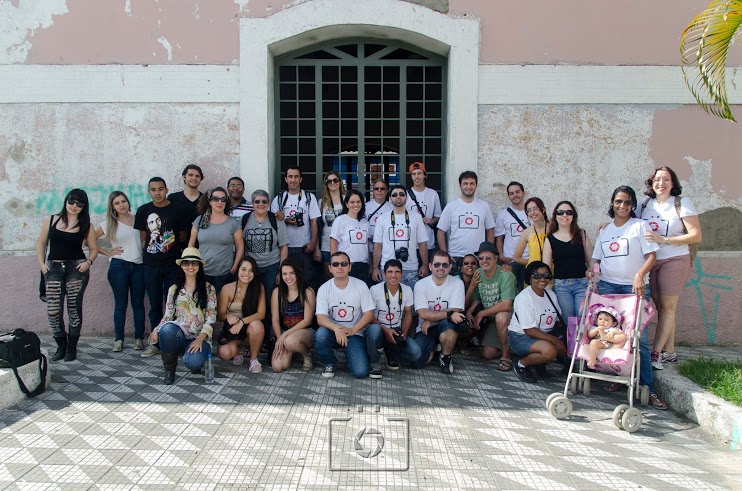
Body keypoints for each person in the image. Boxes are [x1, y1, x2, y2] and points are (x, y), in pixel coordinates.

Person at [593, 185, 667, 410]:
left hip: (632, 288)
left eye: (627, 202)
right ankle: (618, 377)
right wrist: (593, 272)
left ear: (632, 205)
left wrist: (639, 274)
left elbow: (652, 256)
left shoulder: (639, 226)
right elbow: (597, 259)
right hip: (607, 287)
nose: (622, 206)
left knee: (638, 339)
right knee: (611, 335)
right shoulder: (604, 231)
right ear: (612, 203)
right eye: (618, 202)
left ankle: (648, 388)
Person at [639, 166, 702, 369]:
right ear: (652, 182)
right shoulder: (645, 204)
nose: (661, 183)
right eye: (657, 179)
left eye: (666, 179)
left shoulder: (682, 203)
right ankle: (671, 351)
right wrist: (608, 225)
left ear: (673, 183)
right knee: (663, 308)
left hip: (675, 259)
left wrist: (664, 239)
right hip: (651, 260)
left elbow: (695, 235)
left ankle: (656, 354)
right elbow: (630, 222)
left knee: (667, 308)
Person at [36, 189, 98, 362]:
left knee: (74, 308)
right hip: (53, 267)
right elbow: (41, 242)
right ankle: (60, 345)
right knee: (53, 310)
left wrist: (88, 262)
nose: (74, 206)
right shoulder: (52, 220)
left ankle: (72, 348)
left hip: (75, 268)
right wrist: (42, 265)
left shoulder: (86, 225)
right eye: (71, 201)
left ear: (84, 207)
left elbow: (93, 248)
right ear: (66, 200)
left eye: (79, 204)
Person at [135, 177, 190, 358]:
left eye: (160, 189)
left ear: (166, 189)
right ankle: (155, 341)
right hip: (151, 265)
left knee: (173, 304)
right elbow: (144, 237)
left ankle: (172, 340)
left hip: (173, 265)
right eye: (153, 189)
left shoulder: (178, 209)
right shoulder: (143, 210)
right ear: (149, 191)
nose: (157, 193)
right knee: (154, 305)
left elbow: (182, 235)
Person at [149, 248, 216, 384]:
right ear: (181, 266)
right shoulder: (174, 289)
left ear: (199, 266)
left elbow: (211, 318)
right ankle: (169, 371)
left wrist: (200, 339)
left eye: (194, 263)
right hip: (180, 333)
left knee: (194, 363)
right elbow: (168, 315)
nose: (190, 267)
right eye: (186, 263)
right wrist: (156, 329)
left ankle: (193, 358)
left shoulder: (209, 288)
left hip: (199, 337)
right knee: (166, 329)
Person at [94, 191, 145, 352]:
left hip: (139, 266)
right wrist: (107, 252)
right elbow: (87, 240)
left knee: (138, 304)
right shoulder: (109, 223)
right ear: (112, 206)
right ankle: (119, 339)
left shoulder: (139, 219)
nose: (121, 205)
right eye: (117, 203)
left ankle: (139, 339)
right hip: (119, 266)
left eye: (123, 201)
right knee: (120, 304)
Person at [314, 252, 378, 378]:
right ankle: (329, 362)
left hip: (354, 333)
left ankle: (359, 356)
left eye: (343, 264)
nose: (339, 267)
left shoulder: (361, 286)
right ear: (330, 268)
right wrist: (336, 328)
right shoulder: (324, 288)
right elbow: (320, 318)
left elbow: (369, 313)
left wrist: (353, 329)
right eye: (335, 264)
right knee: (320, 335)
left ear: (349, 267)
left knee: (360, 372)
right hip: (333, 332)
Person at [507, 261, 565, 383]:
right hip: (520, 336)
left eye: (546, 275)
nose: (542, 279)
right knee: (550, 350)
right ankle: (521, 365)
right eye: (537, 276)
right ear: (529, 277)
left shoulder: (550, 294)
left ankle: (540, 363)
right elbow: (529, 330)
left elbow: (558, 320)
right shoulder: (524, 298)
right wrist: (555, 340)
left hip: (544, 334)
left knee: (566, 341)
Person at [412, 250, 467, 374]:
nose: (440, 268)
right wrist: (446, 314)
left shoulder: (457, 283)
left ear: (450, 267)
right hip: (426, 329)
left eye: (444, 265)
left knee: (450, 324)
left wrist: (430, 319)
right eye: (437, 265)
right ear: (430, 266)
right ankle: (435, 348)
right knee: (416, 362)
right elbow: (422, 313)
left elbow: (455, 310)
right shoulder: (420, 284)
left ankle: (445, 356)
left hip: (445, 325)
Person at [465, 242, 516, 367]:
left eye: (488, 258)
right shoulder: (479, 273)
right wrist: (470, 311)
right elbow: (477, 297)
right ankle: (512, 347)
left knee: (501, 316)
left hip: (511, 319)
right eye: (481, 258)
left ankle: (506, 356)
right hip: (493, 321)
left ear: (496, 259)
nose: (484, 261)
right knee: (487, 354)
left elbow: (507, 305)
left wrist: (482, 313)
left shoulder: (506, 274)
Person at [270, 166, 321, 288]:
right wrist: (286, 220)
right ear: (286, 179)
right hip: (284, 248)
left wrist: (314, 243)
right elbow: (272, 223)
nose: (293, 180)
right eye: (290, 177)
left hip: (305, 247)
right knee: (287, 283)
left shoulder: (309, 197)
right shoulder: (279, 199)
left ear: (301, 179)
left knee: (306, 282)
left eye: (296, 176)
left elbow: (314, 222)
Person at [541, 201, 593, 320]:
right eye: (560, 212)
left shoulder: (582, 234)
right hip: (561, 286)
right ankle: (570, 340)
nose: (564, 215)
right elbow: (546, 267)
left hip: (582, 284)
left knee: (583, 320)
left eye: (569, 212)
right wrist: (547, 290)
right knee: (568, 321)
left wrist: (593, 278)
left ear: (573, 216)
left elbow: (591, 260)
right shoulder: (549, 239)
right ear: (555, 216)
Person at [436, 171, 495, 276]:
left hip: (478, 258)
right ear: (460, 185)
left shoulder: (484, 206)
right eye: (465, 183)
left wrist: (488, 253)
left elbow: (490, 230)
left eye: (472, 183)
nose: (469, 186)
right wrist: (446, 255)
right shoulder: (451, 206)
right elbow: (441, 231)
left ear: (476, 185)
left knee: (478, 291)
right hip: (455, 257)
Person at [371, 184, 428, 289]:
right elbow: (378, 245)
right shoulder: (382, 219)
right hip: (387, 267)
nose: (398, 196)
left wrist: (425, 264)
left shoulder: (416, 217)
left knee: (410, 301)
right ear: (390, 198)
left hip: (410, 267)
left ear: (406, 197)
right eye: (394, 194)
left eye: (401, 194)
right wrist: (375, 267)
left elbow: (422, 243)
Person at [188, 187, 244, 294]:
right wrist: (192, 265)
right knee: (203, 304)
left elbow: (240, 247)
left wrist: (234, 267)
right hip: (202, 272)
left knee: (221, 306)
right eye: (216, 199)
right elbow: (191, 244)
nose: (220, 202)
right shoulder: (199, 221)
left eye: (223, 199)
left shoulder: (233, 223)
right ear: (209, 201)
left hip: (224, 273)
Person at [216, 256, 266, 373]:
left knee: (257, 325)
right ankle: (239, 348)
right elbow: (220, 315)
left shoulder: (258, 287)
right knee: (225, 354)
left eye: (251, 270)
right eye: (243, 269)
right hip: (232, 331)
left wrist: (242, 322)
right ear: (238, 270)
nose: (247, 274)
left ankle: (253, 359)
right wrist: (228, 316)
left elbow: (261, 314)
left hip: (248, 330)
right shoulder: (227, 288)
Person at [369, 260, 419, 373]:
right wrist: (386, 330)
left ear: (401, 274)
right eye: (390, 272)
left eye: (397, 272)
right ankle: (374, 361)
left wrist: (404, 333)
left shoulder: (407, 290)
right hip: (380, 329)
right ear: (384, 274)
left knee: (415, 353)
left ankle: (390, 351)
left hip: (397, 330)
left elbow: (407, 313)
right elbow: (369, 316)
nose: (393, 275)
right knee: (373, 330)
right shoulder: (374, 290)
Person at [242, 190, 288, 305]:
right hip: (251, 268)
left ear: (268, 203)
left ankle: (268, 323)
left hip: (271, 267)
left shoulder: (276, 219)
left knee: (269, 300)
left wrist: (281, 271)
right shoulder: (244, 220)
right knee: (251, 299)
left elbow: (284, 247)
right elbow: (240, 246)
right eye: (257, 201)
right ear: (252, 203)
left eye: (264, 201)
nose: (260, 204)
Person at [271, 257, 316, 373]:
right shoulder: (277, 293)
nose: (288, 277)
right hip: (285, 334)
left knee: (290, 341)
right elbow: (275, 320)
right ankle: (295, 351)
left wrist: (284, 335)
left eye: (292, 273)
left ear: (298, 273)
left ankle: (307, 354)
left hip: (306, 333)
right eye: (284, 274)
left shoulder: (307, 292)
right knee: (278, 366)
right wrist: (279, 339)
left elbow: (307, 321)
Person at [330, 190, 372, 285]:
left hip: (363, 266)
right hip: (346, 265)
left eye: (358, 202)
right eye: (352, 202)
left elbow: (367, 246)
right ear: (346, 204)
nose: (355, 204)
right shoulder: (340, 220)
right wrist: (335, 264)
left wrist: (371, 266)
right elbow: (333, 243)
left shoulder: (365, 222)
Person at [495, 181, 530, 289]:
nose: (515, 195)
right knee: (510, 291)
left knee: (528, 292)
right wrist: (501, 255)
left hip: (529, 260)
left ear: (523, 193)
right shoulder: (503, 215)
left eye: (517, 192)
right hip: (510, 260)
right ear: (508, 196)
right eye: (512, 193)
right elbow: (499, 238)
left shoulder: (532, 212)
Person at [405, 162, 441, 257]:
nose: (416, 177)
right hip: (410, 242)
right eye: (414, 174)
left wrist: (431, 220)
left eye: (419, 173)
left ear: (425, 175)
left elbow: (438, 216)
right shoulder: (405, 194)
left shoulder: (433, 194)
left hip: (428, 242)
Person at [318, 170, 346, 280]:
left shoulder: (346, 199)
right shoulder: (322, 202)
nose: (332, 183)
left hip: (344, 242)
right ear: (326, 184)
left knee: (344, 274)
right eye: (329, 181)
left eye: (335, 180)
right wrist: (317, 248)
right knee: (328, 276)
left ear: (339, 182)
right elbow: (317, 225)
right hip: (326, 243)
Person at [513, 197, 549, 270]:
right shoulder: (526, 232)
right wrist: (532, 262)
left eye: (535, 208)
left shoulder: (554, 228)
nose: (532, 212)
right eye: (529, 210)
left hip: (555, 273)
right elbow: (516, 258)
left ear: (543, 209)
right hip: (535, 274)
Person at [365, 178, 393, 260]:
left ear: (387, 191)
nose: (379, 191)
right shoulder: (365, 207)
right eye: (376, 188)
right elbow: (362, 225)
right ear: (373, 191)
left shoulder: (392, 208)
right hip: (369, 248)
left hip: (387, 249)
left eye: (382, 188)